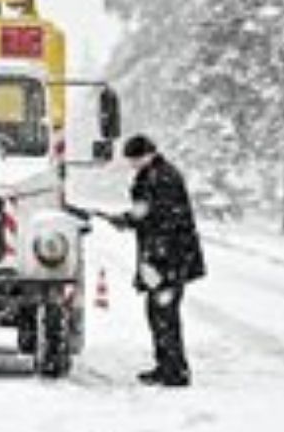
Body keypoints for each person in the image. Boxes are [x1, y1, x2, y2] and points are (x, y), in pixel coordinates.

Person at [109, 134, 206, 387]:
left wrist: (129, 220)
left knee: (165, 313)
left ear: (148, 154)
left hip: (169, 258)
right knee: (157, 312)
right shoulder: (154, 174)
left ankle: (175, 371)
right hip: (158, 257)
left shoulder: (162, 177)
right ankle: (166, 366)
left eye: (135, 159)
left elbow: (156, 213)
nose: (133, 164)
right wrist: (129, 219)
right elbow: (147, 211)